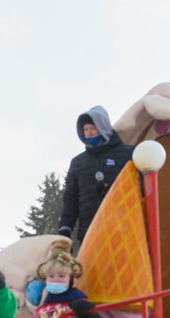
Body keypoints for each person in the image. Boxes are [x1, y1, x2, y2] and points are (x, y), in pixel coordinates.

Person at [57, 105, 135, 244]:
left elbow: (141, 189)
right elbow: (71, 199)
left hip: (123, 228)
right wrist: (65, 229)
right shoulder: (78, 163)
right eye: (85, 129)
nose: (89, 133)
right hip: (90, 232)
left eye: (93, 128)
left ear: (103, 127)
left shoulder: (128, 154)